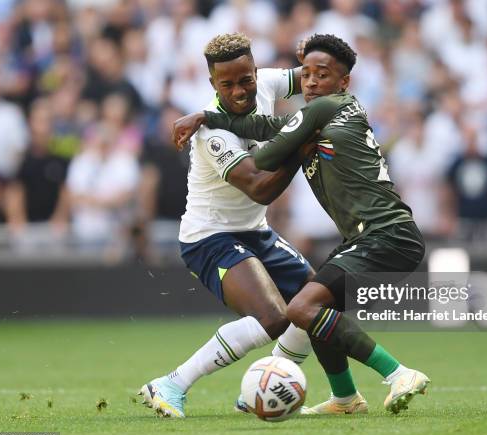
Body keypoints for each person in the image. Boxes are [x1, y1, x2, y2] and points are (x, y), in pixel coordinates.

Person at [182, 34, 430, 415]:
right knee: (311, 308)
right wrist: (206, 116)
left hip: (384, 236)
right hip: (377, 236)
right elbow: (270, 125)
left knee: (302, 308)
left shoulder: (320, 111)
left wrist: (217, 128)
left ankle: (398, 374)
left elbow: (264, 157)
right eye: (308, 74)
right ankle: (345, 398)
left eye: (323, 75)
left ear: (343, 81)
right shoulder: (332, 111)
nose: (311, 82)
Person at [139, 33, 314, 418]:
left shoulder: (268, 82)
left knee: (315, 302)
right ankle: (171, 383)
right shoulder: (212, 134)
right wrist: (303, 143)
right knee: (272, 318)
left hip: (255, 231)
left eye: (245, 79)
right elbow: (259, 189)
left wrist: (319, 59)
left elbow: (312, 76)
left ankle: (262, 387)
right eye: (227, 84)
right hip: (210, 237)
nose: (239, 90)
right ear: (212, 84)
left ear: (256, 71)